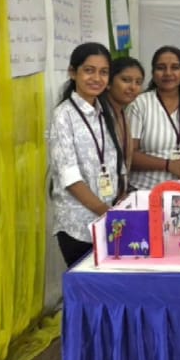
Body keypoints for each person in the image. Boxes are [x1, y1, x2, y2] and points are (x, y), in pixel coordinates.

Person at [48, 42, 127, 267]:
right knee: (87, 285)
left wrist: (119, 200)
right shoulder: (63, 116)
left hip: (107, 218)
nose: (96, 78)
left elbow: (115, 162)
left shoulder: (104, 111)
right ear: (73, 73)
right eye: (89, 70)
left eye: (103, 72)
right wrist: (107, 213)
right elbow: (70, 178)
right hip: (78, 224)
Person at [128, 45, 180, 190]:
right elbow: (129, 155)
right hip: (144, 190)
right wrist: (168, 165)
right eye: (161, 68)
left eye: (175, 68)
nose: (168, 73)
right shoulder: (140, 103)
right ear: (153, 74)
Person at [104, 54, 145, 178]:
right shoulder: (99, 115)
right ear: (109, 82)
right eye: (126, 80)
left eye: (138, 82)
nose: (133, 87)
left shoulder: (122, 113)